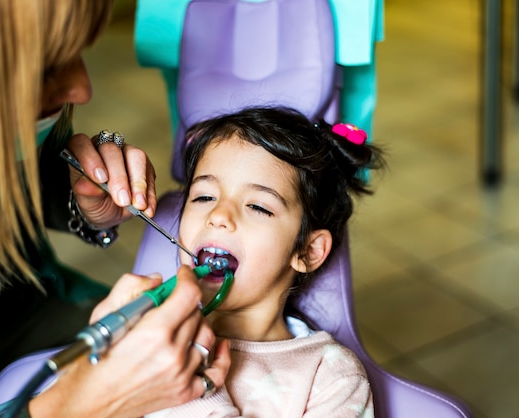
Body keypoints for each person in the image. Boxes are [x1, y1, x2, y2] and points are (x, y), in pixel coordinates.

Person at [0, 1, 228, 417]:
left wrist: (80, 200)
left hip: (23, 308)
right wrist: (81, 404)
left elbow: (23, 172)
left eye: (77, 51)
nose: (82, 89)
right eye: (45, 69)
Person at [144, 106, 385, 417]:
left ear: (308, 251)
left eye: (257, 206)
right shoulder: (150, 334)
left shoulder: (330, 377)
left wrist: (195, 387)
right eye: (204, 197)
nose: (218, 216)